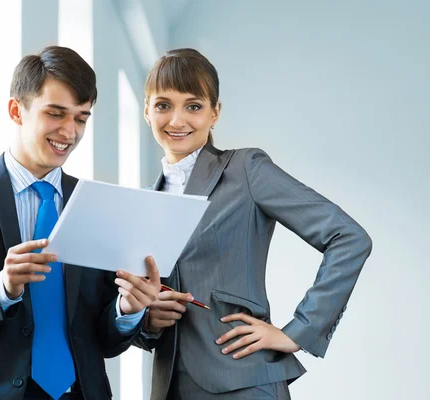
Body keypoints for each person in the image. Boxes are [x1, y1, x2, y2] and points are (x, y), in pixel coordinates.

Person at [0, 46, 160, 400]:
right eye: (56, 114)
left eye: (81, 118)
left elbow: (101, 339)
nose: (69, 132)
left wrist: (127, 309)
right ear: (17, 110)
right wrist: (2, 288)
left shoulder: (95, 205)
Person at [133, 48, 373, 400]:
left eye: (194, 106)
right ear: (146, 112)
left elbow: (349, 237)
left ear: (215, 112)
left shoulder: (246, 169)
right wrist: (148, 321)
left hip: (244, 381)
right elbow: (142, 310)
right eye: (163, 105)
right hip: (170, 387)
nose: (177, 120)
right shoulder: (142, 203)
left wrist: (298, 331)